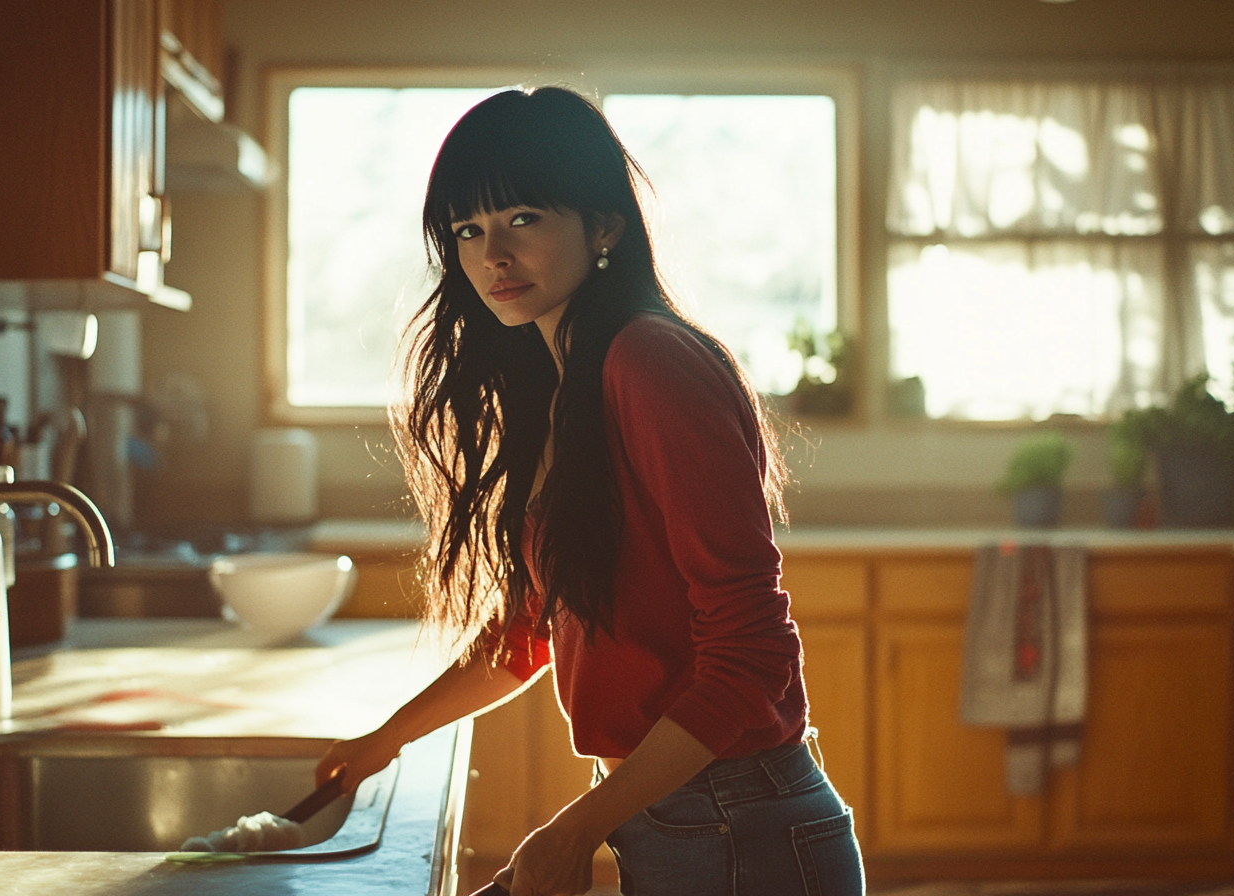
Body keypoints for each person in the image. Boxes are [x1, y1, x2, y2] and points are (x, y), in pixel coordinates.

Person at [316, 85, 865, 896]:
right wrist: (381, 743)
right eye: (468, 230)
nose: (492, 256)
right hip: (686, 811)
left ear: (604, 227)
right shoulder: (563, 383)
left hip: (737, 821)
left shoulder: (649, 361)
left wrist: (577, 827)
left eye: (523, 220)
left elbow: (751, 654)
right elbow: (533, 629)